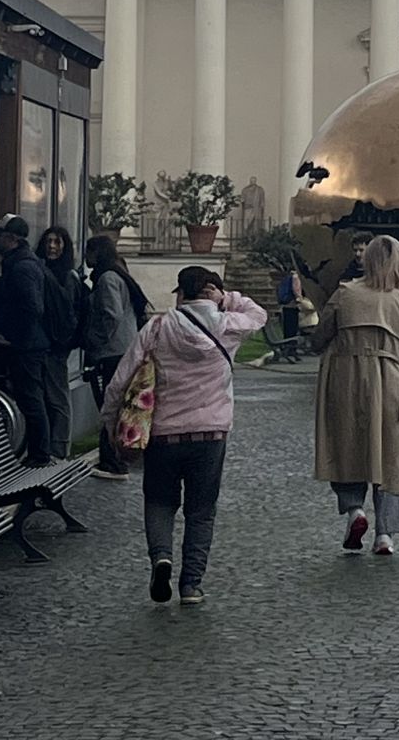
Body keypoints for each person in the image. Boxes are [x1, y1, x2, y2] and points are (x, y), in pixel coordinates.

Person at [102, 265, 266, 605]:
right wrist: (226, 297)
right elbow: (258, 314)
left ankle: (161, 557)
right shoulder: (227, 326)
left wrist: (111, 423)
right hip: (211, 433)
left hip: (163, 433)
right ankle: (191, 584)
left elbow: (121, 380)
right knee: (201, 510)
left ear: (181, 292)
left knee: (159, 501)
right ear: (210, 292)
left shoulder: (159, 327)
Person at [311, 234, 399, 557]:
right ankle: (385, 534)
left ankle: (354, 510)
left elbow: (319, 338)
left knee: (347, 444)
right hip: (390, 377)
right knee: (390, 455)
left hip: (345, 378)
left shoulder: (345, 292)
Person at [0, 214, 52, 465]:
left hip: (26, 346)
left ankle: (39, 454)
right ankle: (38, 452)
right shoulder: (22, 262)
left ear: (11, 239)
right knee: (31, 397)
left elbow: (33, 307)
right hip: (29, 343)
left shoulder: (22, 266)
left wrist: (13, 337)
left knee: (31, 398)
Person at [84, 234, 149, 480]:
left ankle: (112, 460)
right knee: (117, 404)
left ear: (97, 253)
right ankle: (114, 457)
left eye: (89, 252)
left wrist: (96, 341)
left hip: (113, 350)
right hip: (124, 348)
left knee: (110, 404)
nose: (87, 258)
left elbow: (111, 314)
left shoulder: (108, 278)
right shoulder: (119, 273)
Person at [38, 225, 85, 459]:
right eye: (48, 241)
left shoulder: (68, 276)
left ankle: (60, 446)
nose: (52, 247)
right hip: (46, 342)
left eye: (57, 242)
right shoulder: (45, 270)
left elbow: (68, 314)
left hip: (57, 344)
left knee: (58, 396)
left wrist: (60, 341)